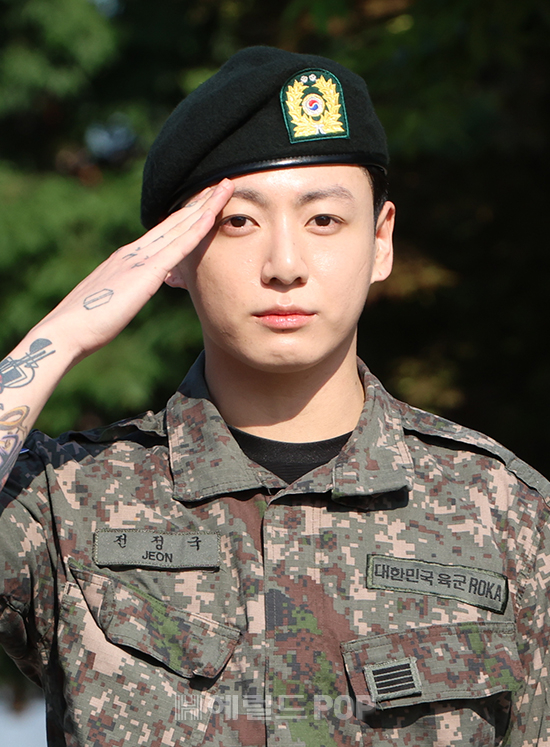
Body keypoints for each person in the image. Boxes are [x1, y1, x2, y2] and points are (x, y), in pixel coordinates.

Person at [0, 46, 548, 747]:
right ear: (173, 252)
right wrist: (63, 333)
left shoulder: (507, 514)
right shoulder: (67, 501)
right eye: (238, 222)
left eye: (324, 221)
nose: (285, 265)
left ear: (381, 240)